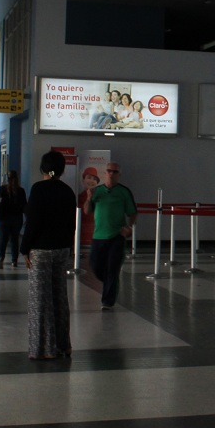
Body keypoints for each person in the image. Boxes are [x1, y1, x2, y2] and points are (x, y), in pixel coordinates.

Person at [22, 150, 78, 359]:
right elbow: (71, 224)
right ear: (62, 169)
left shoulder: (39, 189)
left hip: (41, 250)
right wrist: (69, 249)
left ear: (43, 168)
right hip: (62, 249)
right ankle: (64, 345)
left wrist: (24, 248)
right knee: (60, 297)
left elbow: (33, 222)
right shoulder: (68, 191)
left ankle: (42, 349)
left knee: (40, 300)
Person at [84, 162, 137, 310]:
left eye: (115, 172)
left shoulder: (124, 192)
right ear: (105, 173)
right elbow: (87, 211)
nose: (111, 174)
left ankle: (107, 301)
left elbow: (132, 212)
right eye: (109, 171)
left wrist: (129, 227)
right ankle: (108, 281)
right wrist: (88, 198)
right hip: (99, 236)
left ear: (119, 175)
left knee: (112, 269)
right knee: (95, 265)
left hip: (116, 237)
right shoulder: (97, 191)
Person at [0, 170, 27, 268]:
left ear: (7, 179)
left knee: (3, 239)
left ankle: (1, 258)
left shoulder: (2, 189)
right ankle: (14, 260)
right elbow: (24, 206)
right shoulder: (21, 190)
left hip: (4, 219)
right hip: (17, 219)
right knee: (14, 240)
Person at [76, 167, 100, 248]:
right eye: (89, 178)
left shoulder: (100, 197)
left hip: (96, 236)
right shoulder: (78, 197)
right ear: (83, 180)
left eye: (94, 179)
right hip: (81, 236)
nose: (91, 181)